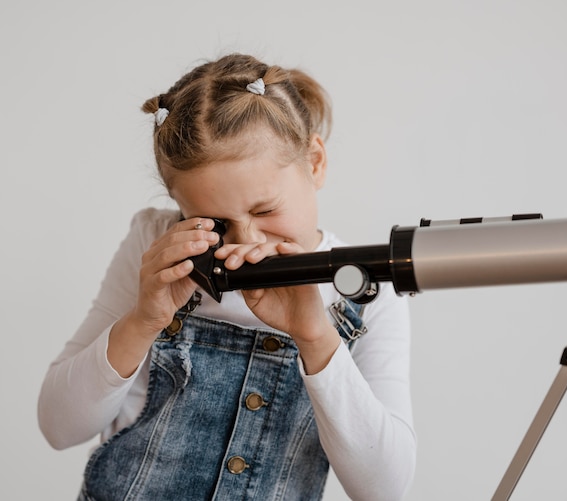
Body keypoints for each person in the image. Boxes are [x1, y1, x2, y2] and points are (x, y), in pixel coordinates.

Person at [38, 53, 416, 501]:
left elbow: (386, 489)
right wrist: (143, 320)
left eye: (265, 210)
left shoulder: (366, 288)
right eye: (213, 222)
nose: (245, 242)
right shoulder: (153, 246)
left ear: (314, 162)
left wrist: (317, 337)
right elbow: (58, 427)